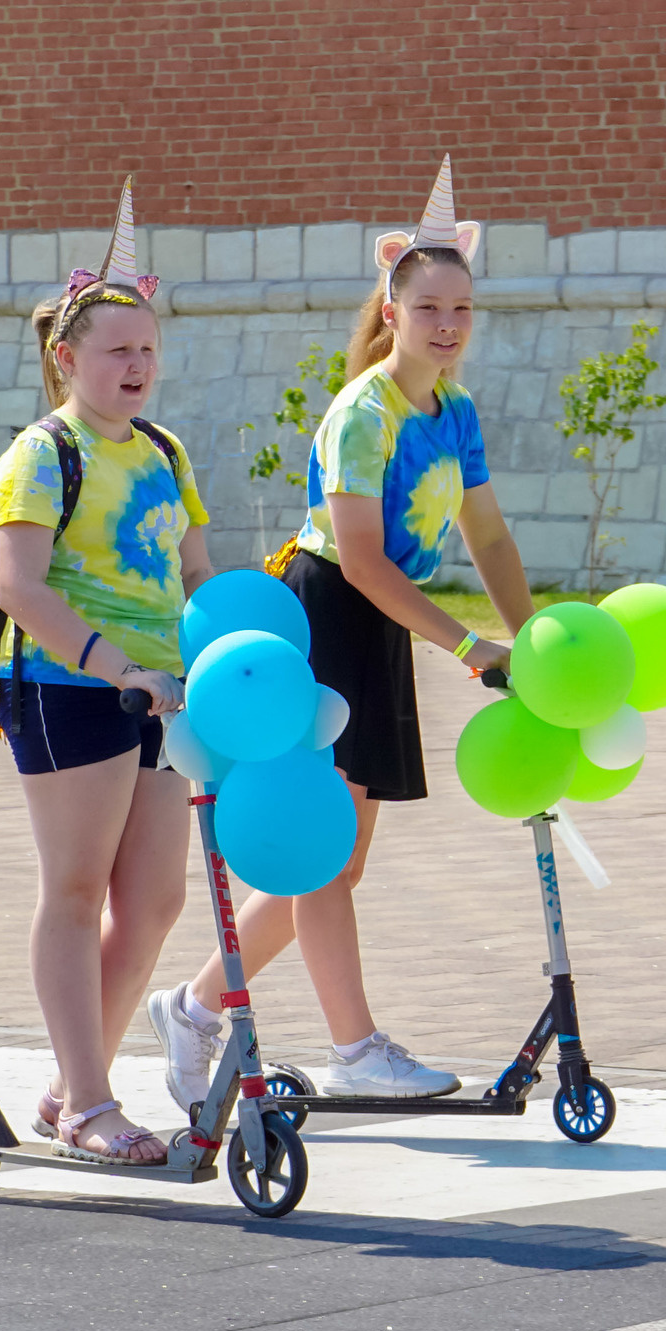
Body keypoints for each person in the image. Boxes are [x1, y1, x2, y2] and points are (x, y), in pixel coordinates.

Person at [148, 157, 534, 1109]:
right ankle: (352, 1047)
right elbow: (362, 561)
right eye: (430, 306)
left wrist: (533, 638)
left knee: (338, 854)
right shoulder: (365, 413)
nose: (448, 325)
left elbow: (485, 530)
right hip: (334, 613)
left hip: (382, 620)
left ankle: (196, 1009)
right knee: (325, 848)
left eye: (463, 309)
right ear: (393, 309)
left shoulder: (456, 410)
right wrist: (469, 645)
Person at [0, 180, 210, 1166]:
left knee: (155, 902)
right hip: (67, 687)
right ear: (65, 359)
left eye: (148, 350)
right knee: (75, 889)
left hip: (163, 696)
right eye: (118, 350)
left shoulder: (164, 450)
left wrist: (230, 653)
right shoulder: (43, 454)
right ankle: (86, 1102)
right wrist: (121, 666)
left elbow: (196, 575)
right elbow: (19, 588)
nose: (137, 366)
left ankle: (72, 1085)